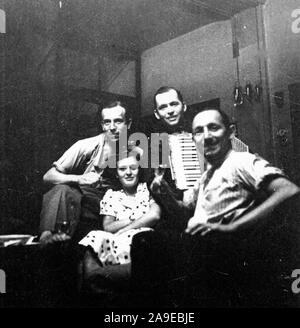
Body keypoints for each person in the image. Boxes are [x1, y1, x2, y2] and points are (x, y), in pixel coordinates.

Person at [150, 107, 300, 306]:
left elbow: (288, 190)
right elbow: (184, 213)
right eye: (199, 131)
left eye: (213, 128)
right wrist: (164, 194)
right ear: (194, 139)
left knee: (147, 246)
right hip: (200, 254)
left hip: (225, 256)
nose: (207, 136)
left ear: (230, 132)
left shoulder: (240, 161)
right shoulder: (206, 176)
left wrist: (232, 227)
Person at [39, 100, 132, 243]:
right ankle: (47, 237)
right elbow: (48, 176)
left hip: (116, 206)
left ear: (128, 123)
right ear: (102, 125)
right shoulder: (86, 145)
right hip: (86, 200)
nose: (112, 127)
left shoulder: (137, 150)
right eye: (107, 122)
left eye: (118, 121)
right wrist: (79, 178)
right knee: (63, 189)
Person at [78, 148, 161, 291]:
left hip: (141, 237)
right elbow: (108, 226)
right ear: (117, 174)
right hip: (116, 238)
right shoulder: (112, 195)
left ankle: (100, 277)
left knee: (142, 240)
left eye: (133, 168)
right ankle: (94, 284)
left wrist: (125, 229)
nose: (128, 172)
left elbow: (154, 215)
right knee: (94, 236)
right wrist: (132, 219)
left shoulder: (147, 190)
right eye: (122, 169)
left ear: (139, 171)